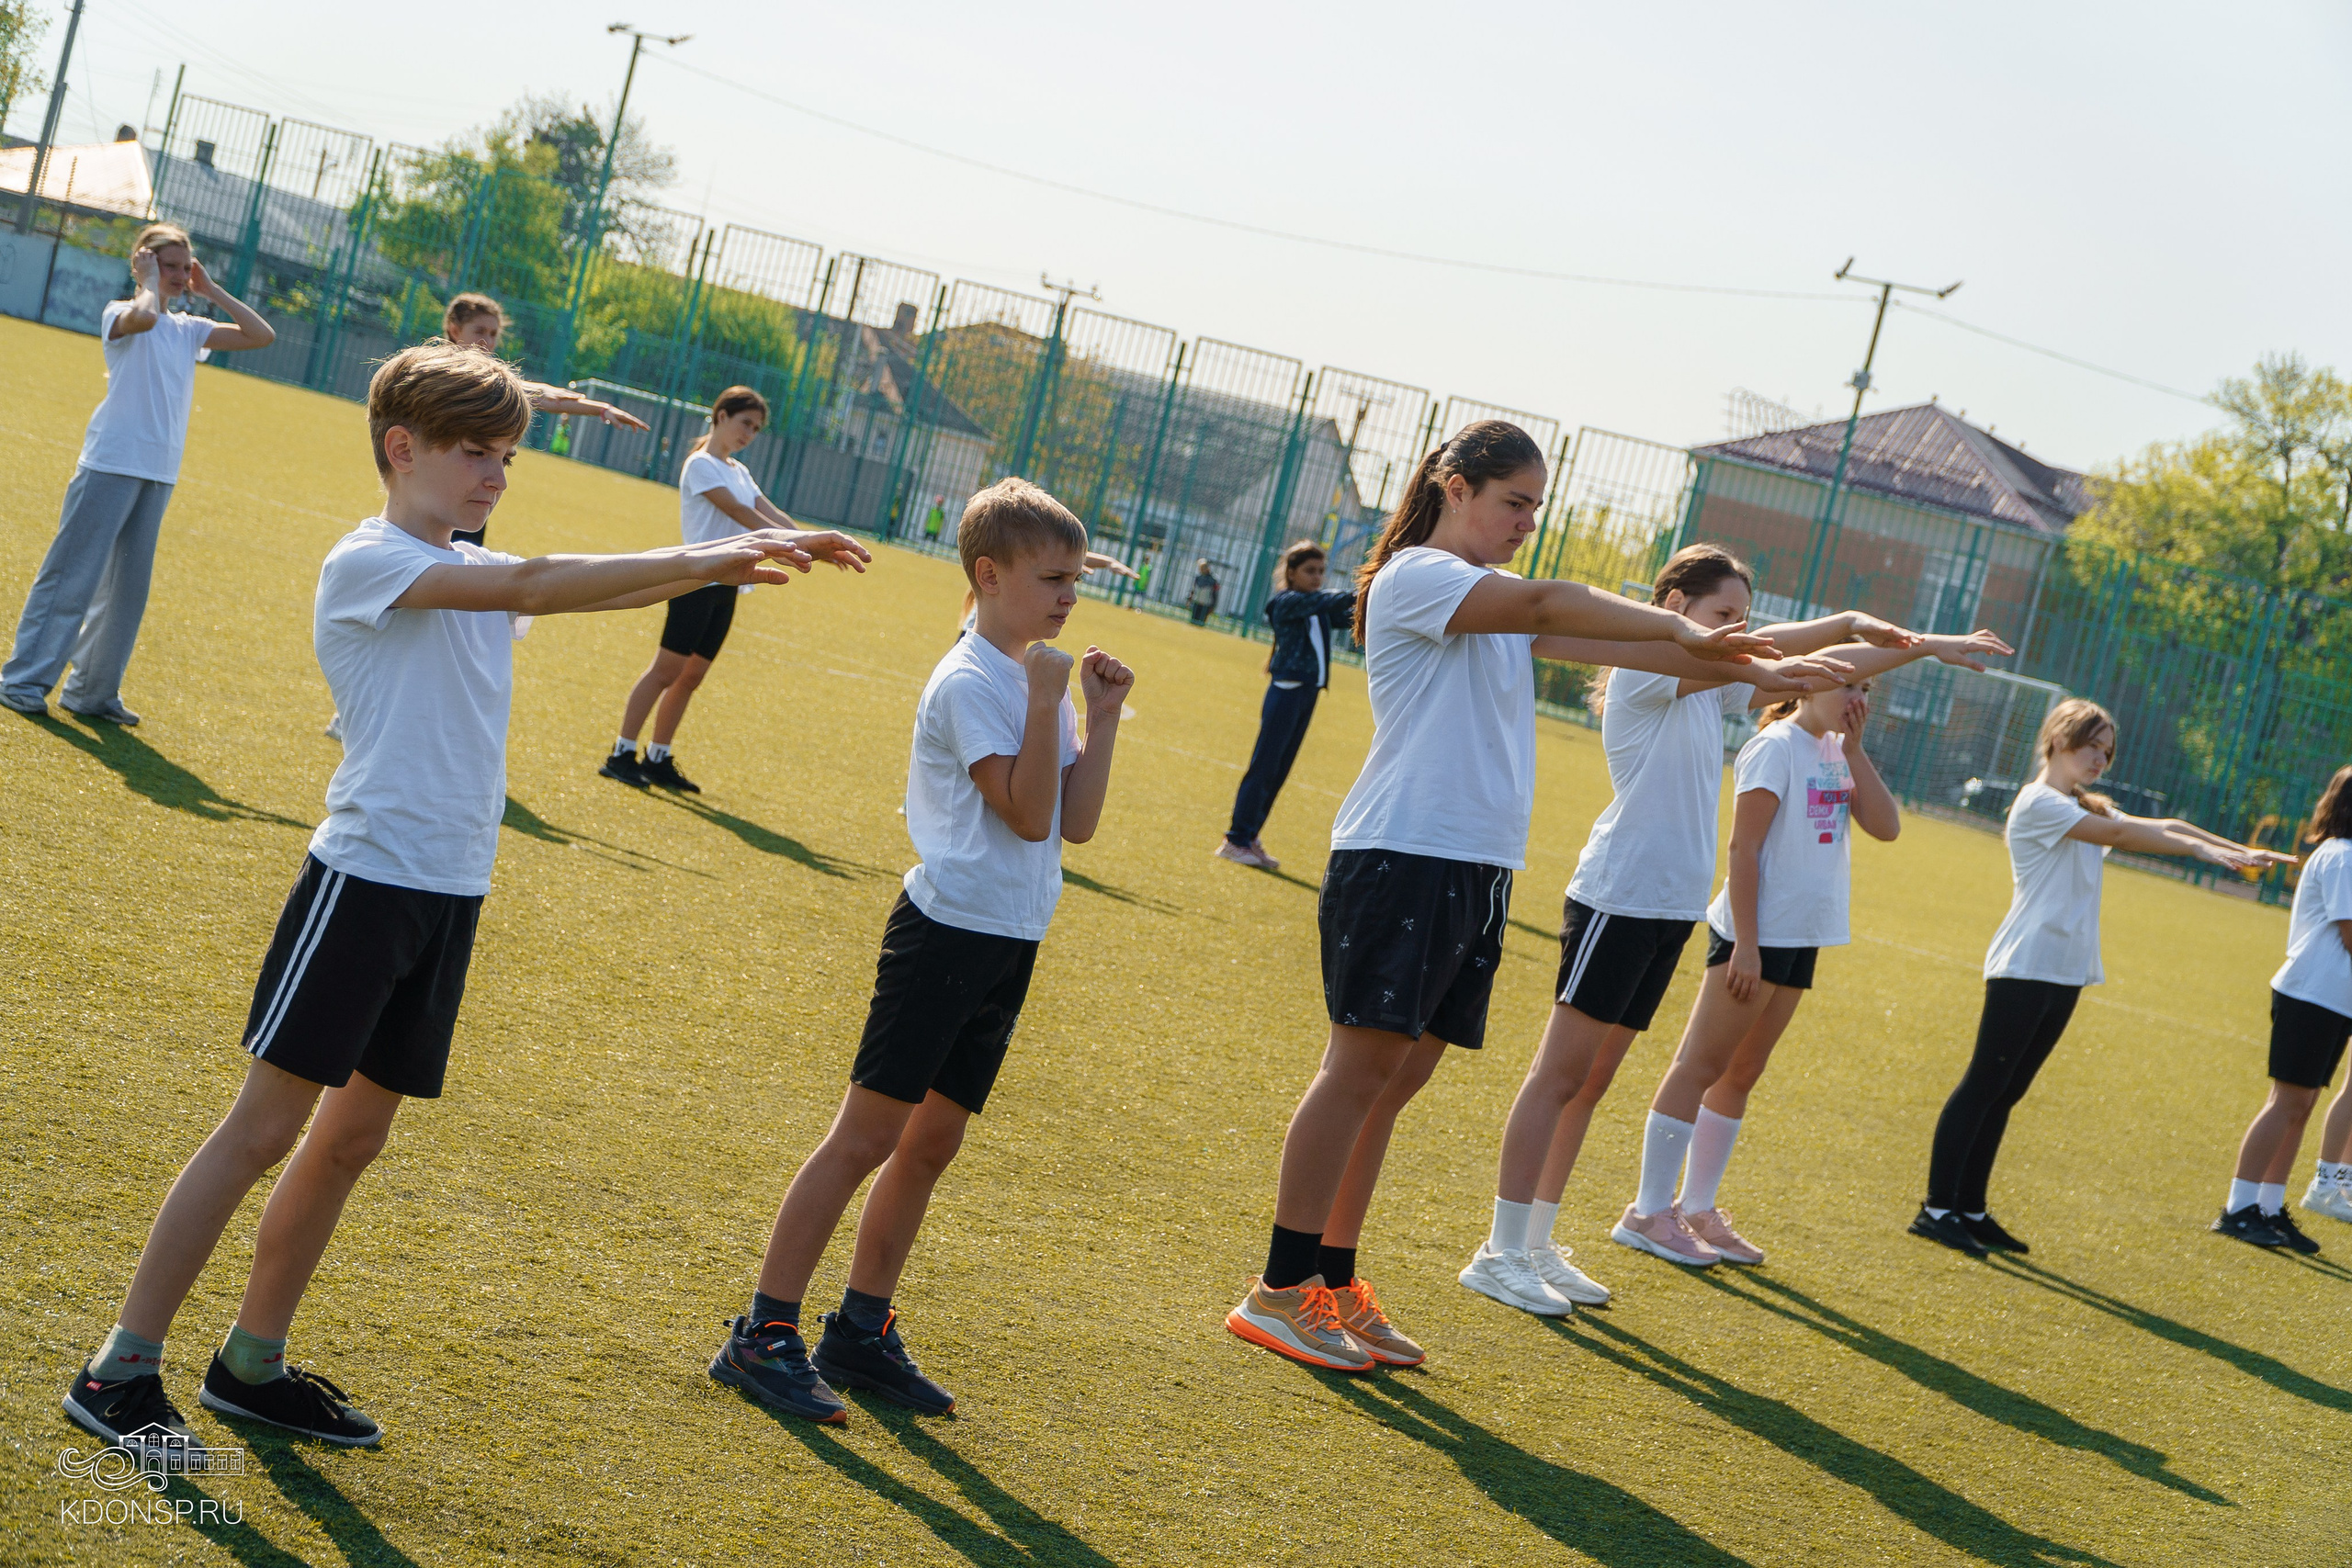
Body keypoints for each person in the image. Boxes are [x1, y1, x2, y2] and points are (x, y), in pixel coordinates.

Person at [59, 343, 866, 1456]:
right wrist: (718, 548)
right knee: (262, 1130)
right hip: (364, 882)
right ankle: (119, 1371)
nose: (498, 473)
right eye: (478, 454)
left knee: (350, 1143)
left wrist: (723, 562)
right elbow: (540, 582)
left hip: (447, 888)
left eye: (507, 455)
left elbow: (563, 581)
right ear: (403, 450)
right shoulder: (370, 560)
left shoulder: (464, 559)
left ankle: (251, 1365)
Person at [1223, 423, 1840, 1372]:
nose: (1525, 523)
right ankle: (1278, 1286)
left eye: (1532, 509)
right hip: (1403, 853)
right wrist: (1686, 626)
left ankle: (1334, 1279)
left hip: (1468, 865)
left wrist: (1755, 665)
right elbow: (1562, 602)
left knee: (1398, 1079)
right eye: (1514, 503)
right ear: (1453, 486)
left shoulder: (1492, 606)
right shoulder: (1421, 576)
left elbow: (1595, 631)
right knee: (1356, 1071)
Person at [708, 479, 1131, 1423]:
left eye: (1077, 578)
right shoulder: (975, 679)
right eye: (1053, 577)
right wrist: (1047, 699)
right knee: (866, 1136)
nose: (1069, 596)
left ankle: (859, 1330)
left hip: (1009, 937)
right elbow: (1023, 813)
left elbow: (1076, 824)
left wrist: (1094, 719)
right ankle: (763, 1332)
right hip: (945, 931)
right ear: (989, 574)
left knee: (931, 1143)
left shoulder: (1032, 678)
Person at [1462, 546, 1917, 1311]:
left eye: (1742, 616)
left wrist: (1870, 635)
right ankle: (1498, 1250)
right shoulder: (1654, 668)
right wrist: (1854, 634)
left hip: (1668, 907)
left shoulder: (1709, 691)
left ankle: (1536, 1243)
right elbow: (1783, 656)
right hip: (1618, 894)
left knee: (1595, 1080)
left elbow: (1798, 654)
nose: (1736, 630)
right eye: (1722, 615)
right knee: (1559, 1075)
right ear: (1674, 605)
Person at [1613, 629, 2012, 1268]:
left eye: (1864, 687)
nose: (1856, 696)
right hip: (1754, 936)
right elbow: (1744, 849)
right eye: (1847, 682)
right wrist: (1745, 944)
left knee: (1742, 1072)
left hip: (1801, 936)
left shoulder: (1833, 748)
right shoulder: (1774, 746)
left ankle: (1697, 1207)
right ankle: (1647, 1210)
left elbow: (1886, 826)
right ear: (1808, 680)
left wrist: (1853, 749)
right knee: (1700, 1065)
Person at [1912, 698, 2287, 1257]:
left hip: (2064, 969)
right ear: (2061, 739)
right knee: (1983, 1085)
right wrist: (2207, 853)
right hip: (2026, 963)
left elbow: (2161, 824)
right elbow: (2125, 838)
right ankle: (1936, 1209)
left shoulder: (2081, 804)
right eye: (2092, 746)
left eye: (2107, 752)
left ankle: (1970, 1208)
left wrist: (2234, 851)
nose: (2100, 760)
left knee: (2009, 1091)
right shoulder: (2040, 803)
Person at [3, 223, 275, 724]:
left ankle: (91, 692)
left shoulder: (190, 329)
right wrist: (148, 282)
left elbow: (262, 335)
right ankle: (22, 680)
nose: (177, 275)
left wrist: (210, 290)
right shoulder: (122, 313)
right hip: (110, 463)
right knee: (72, 577)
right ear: (143, 264)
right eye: (167, 266)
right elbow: (144, 319)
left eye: (183, 267)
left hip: (158, 472)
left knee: (127, 590)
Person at [601, 386, 796, 794]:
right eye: (745, 423)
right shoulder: (701, 465)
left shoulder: (739, 471)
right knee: (665, 672)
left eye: (757, 429)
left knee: (692, 677)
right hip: (694, 581)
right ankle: (621, 753)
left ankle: (658, 757)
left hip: (728, 585)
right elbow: (743, 515)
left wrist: (817, 541)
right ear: (721, 415)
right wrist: (793, 544)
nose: (749, 434)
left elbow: (769, 512)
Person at [2216, 764, 2352, 1251]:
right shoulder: (2342, 856)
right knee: (2286, 1102)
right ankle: (2237, 1208)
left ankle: (2269, 1208)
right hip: (2311, 993)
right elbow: (2349, 933)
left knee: (2302, 1104)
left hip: (2333, 999)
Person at [440, 292, 650, 547]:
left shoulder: (488, 380)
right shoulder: (437, 371)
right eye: (480, 331)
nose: (488, 341)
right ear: (454, 329)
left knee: (462, 561)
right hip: (437, 490)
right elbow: (535, 394)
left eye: (494, 334)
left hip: (471, 487)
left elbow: (547, 399)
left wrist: (602, 409)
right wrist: (532, 389)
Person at [1217, 539, 1354, 872]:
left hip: (1306, 693)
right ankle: (1235, 839)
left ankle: (1250, 836)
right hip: (1287, 691)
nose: (1317, 577)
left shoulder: (1312, 605)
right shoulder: (1288, 602)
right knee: (1264, 767)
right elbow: (1335, 599)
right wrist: (1372, 582)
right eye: (1310, 571)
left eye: (1322, 571)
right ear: (1291, 573)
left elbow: (1347, 611)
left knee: (1279, 771)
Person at [1189, 559, 1221, 626]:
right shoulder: (1198, 578)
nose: (1201, 569)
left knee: (1201, 623)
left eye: (1204, 567)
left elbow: (1215, 594)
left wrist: (1213, 606)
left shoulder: (1214, 580)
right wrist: (1190, 599)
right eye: (1200, 568)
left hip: (1206, 604)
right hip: (1196, 602)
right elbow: (1194, 589)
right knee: (1193, 622)